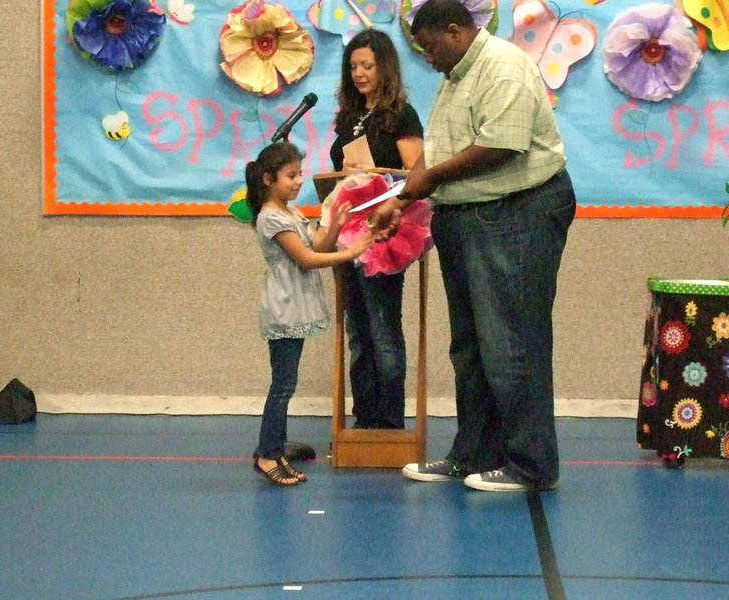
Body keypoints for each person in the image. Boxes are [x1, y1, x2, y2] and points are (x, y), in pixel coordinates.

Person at [369, 0, 577, 491]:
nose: (427, 57)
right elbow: (438, 155)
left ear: (457, 31)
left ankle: (531, 464)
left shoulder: (502, 67)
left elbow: (502, 146)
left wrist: (426, 182)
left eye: (431, 46)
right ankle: (474, 454)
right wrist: (400, 199)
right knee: (470, 347)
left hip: (517, 212)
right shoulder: (456, 77)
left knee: (511, 341)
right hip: (467, 215)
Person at [246, 142, 372, 486]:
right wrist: (353, 252)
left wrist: (336, 227)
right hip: (284, 308)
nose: (299, 181)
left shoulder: (292, 213)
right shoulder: (271, 217)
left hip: (296, 307)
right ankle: (267, 454)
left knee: (286, 384)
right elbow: (306, 259)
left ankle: (274, 449)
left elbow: (318, 245)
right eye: (291, 175)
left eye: (299, 173)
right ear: (269, 180)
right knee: (282, 385)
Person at [317, 29, 424, 429]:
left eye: (367, 65)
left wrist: (376, 172)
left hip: (385, 229)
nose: (359, 73)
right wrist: (344, 174)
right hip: (347, 230)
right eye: (353, 67)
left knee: (382, 327)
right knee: (357, 331)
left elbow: (416, 175)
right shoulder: (349, 115)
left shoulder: (401, 114)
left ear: (385, 67)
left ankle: (390, 422)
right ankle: (363, 420)